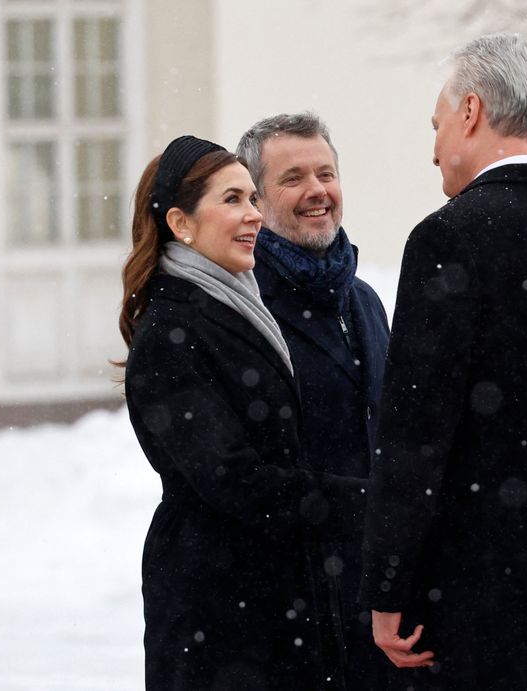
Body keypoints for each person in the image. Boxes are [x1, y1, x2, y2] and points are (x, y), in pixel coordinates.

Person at [357, 33, 527, 690]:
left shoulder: (447, 237)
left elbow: (414, 431)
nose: (431, 150)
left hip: (463, 584)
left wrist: (387, 582)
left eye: (436, 124)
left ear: (471, 112)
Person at [118, 135, 368, 690]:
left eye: (253, 199)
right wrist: (368, 503)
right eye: (232, 200)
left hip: (272, 596)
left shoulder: (234, 303)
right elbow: (234, 480)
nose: (254, 215)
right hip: (217, 608)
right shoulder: (172, 331)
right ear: (181, 223)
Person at [235, 112, 391, 689]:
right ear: (257, 200)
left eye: (326, 173)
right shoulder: (248, 312)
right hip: (287, 607)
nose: (317, 191)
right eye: (293, 178)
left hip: (371, 602)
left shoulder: (365, 301)